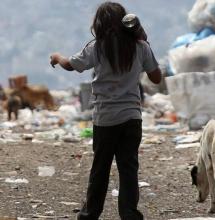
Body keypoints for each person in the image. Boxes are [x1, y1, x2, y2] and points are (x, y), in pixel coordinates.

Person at [49, 2, 161, 220]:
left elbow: (72, 65)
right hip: (131, 118)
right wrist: (144, 40)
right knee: (128, 169)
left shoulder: (97, 47)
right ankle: (129, 214)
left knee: (100, 169)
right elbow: (156, 78)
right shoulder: (140, 47)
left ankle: (90, 214)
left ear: (99, 24)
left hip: (105, 119)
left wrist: (56, 56)